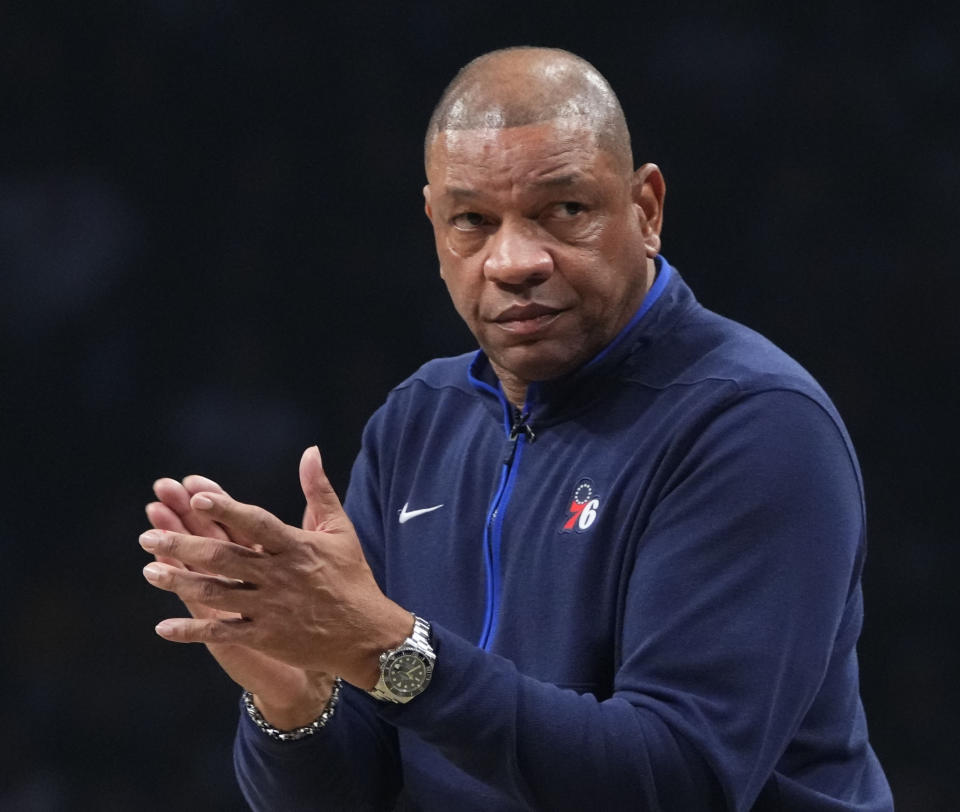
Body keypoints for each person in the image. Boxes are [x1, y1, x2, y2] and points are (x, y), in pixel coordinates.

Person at [140, 47, 893, 810]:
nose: (514, 260)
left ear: (646, 210)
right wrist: (294, 699)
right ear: (435, 227)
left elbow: (678, 782)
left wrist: (390, 651)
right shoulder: (417, 422)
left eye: (563, 210)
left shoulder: (751, 424)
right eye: (473, 221)